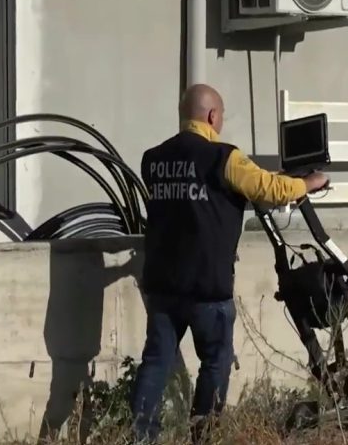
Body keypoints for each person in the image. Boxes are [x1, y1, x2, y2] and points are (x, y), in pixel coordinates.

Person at [131, 83, 329, 443]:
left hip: (162, 285)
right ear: (212, 116)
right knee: (215, 363)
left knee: (155, 363)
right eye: (220, 116)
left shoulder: (152, 159)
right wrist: (310, 181)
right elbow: (269, 189)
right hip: (208, 287)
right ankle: (202, 435)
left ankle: (141, 437)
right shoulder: (224, 157)